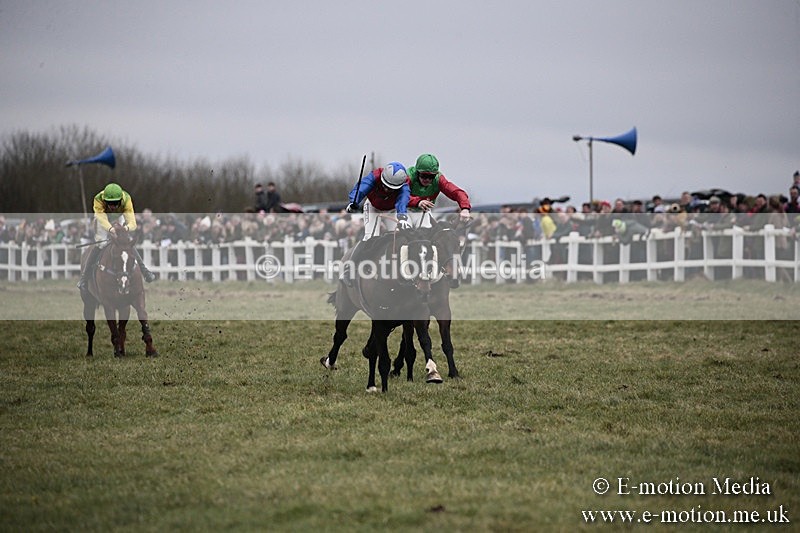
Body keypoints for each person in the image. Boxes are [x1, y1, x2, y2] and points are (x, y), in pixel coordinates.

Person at [341, 162, 411, 287]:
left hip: (392, 209)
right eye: (385, 185)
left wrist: (403, 218)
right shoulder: (375, 175)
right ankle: (349, 270)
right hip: (373, 207)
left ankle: (406, 271)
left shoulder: (405, 185)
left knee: (402, 238)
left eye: (391, 188)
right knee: (370, 237)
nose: (386, 189)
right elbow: (362, 188)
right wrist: (354, 202)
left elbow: (402, 201)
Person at [77, 183, 155, 290]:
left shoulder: (126, 199)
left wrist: (125, 228)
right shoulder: (98, 199)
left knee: (126, 243)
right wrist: (111, 229)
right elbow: (102, 219)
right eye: (110, 203)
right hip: (102, 219)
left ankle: (145, 271)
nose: (113, 206)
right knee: (101, 243)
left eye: (115, 203)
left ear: (120, 199)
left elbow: (132, 223)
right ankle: (84, 278)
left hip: (119, 217)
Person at [406, 154, 471, 228]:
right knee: (404, 232)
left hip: (423, 211)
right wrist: (418, 202)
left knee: (426, 232)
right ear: (417, 172)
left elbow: (456, 192)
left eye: (431, 176)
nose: (427, 179)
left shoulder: (438, 179)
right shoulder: (408, 177)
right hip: (404, 210)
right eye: (424, 175)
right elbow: (400, 196)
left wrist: (465, 208)